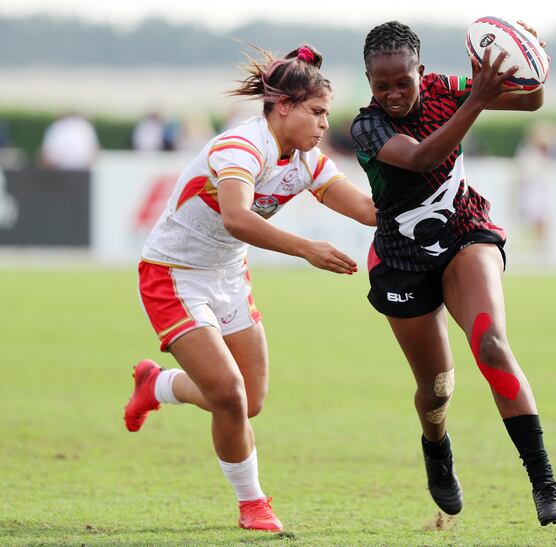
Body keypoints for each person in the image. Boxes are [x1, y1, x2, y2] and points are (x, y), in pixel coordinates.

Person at [123, 44, 376, 533]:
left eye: (327, 115)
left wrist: (429, 203)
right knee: (231, 396)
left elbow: (367, 211)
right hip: (172, 275)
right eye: (317, 112)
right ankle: (252, 505)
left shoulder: (305, 159)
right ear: (284, 106)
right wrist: (306, 249)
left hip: (228, 276)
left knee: (248, 401)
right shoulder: (241, 146)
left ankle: (156, 384)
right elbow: (237, 217)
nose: (325, 124)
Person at [349, 21, 556, 526]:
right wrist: (477, 100)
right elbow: (422, 157)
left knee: (491, 345)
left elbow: (531, 103)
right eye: (380, 85)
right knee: (438, 388)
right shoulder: (367, 126)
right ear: (368, 82)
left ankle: (545, 484)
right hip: (402, 261)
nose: (393, 93)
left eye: (403, 81)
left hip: (465, 233)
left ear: (420, 72)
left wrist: (529, 58)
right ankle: (437, 446)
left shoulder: (447, 89)